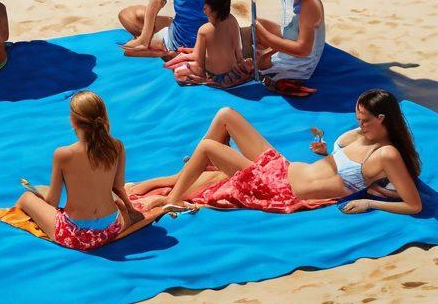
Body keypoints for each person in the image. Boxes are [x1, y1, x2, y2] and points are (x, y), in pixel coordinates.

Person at [130, 91, 422, 215]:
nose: (359, 125)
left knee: (207, 147)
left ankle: (172, 199)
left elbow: (414, 205)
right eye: (358, 119)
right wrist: (324, 152)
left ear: (382, 120)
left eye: (365, 121)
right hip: (284, 169)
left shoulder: (387, 155)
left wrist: (371, 204)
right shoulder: (362, 135)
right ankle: (197, 170)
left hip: (282, 190)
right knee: (226, 114)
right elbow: (343, 169)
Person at [16, 92, 145, 250]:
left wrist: (40, 194)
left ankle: (11, 238)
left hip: (76, 236)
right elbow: (118, 187)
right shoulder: (117, 146)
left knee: (26, 197)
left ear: (72, 120)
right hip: (111, 228)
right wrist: (131, 210)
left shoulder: (63, 154)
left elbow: (53, 202)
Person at [247, 0, 326, 88]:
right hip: (289, 49)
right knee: (257, 25)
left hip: (300, 65)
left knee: (258, 29)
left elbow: (304, 50)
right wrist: (267, 52)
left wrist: (266, 36)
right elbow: (289, 33)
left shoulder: (309, 4)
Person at [165, 0, 245, 87]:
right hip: (231, 71)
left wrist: (185, 59)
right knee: (187, 53)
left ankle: (204, 80)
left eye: (207, 5)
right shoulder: (232, 20)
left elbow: (200, 65)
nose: (204, 7)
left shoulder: (204, 30)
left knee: (177, 71)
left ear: (214, 9)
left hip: (213, 74)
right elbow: (238, 53)